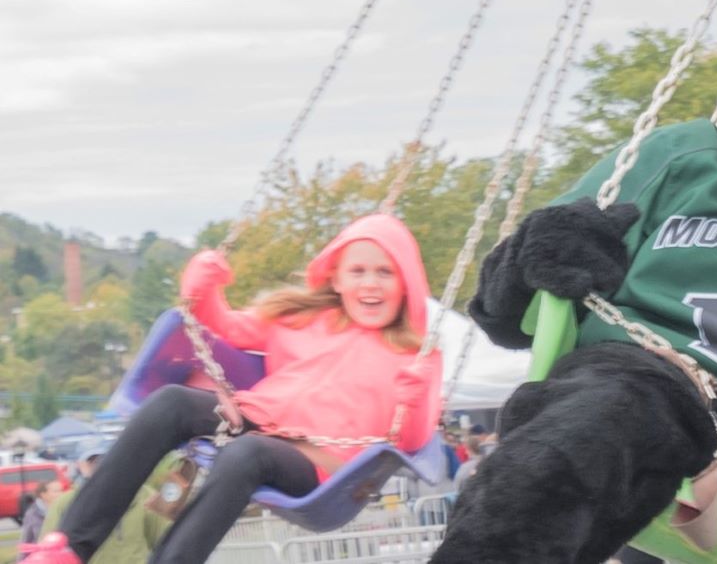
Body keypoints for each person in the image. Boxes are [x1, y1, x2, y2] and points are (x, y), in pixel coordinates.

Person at [30, 214, 444, 564]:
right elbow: (226, 326)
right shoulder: (300, 320)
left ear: (405, 282)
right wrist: (202, 290)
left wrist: (418, 395)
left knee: (249, 453)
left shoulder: (412, 351)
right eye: (358, 271)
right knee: (171, 403)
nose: (370, 283)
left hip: (322, 465)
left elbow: (409, 440)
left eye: (385, 272)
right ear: (335, 279)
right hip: (256, 420)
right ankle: (70, 546)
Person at [38, 454, 183, 564]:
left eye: (104, 459)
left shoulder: (144, 496)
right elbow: (48, 552)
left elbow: (168, 540)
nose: (100, 466)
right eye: (92, 461)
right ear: (80, 465)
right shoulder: (65, 503)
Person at [19, 481, 64, 552]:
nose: (61, 494)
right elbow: (26, 542)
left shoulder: (65, 510)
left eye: (61, 490)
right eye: (56, 491)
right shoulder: (32, 514)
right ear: (44, 495)